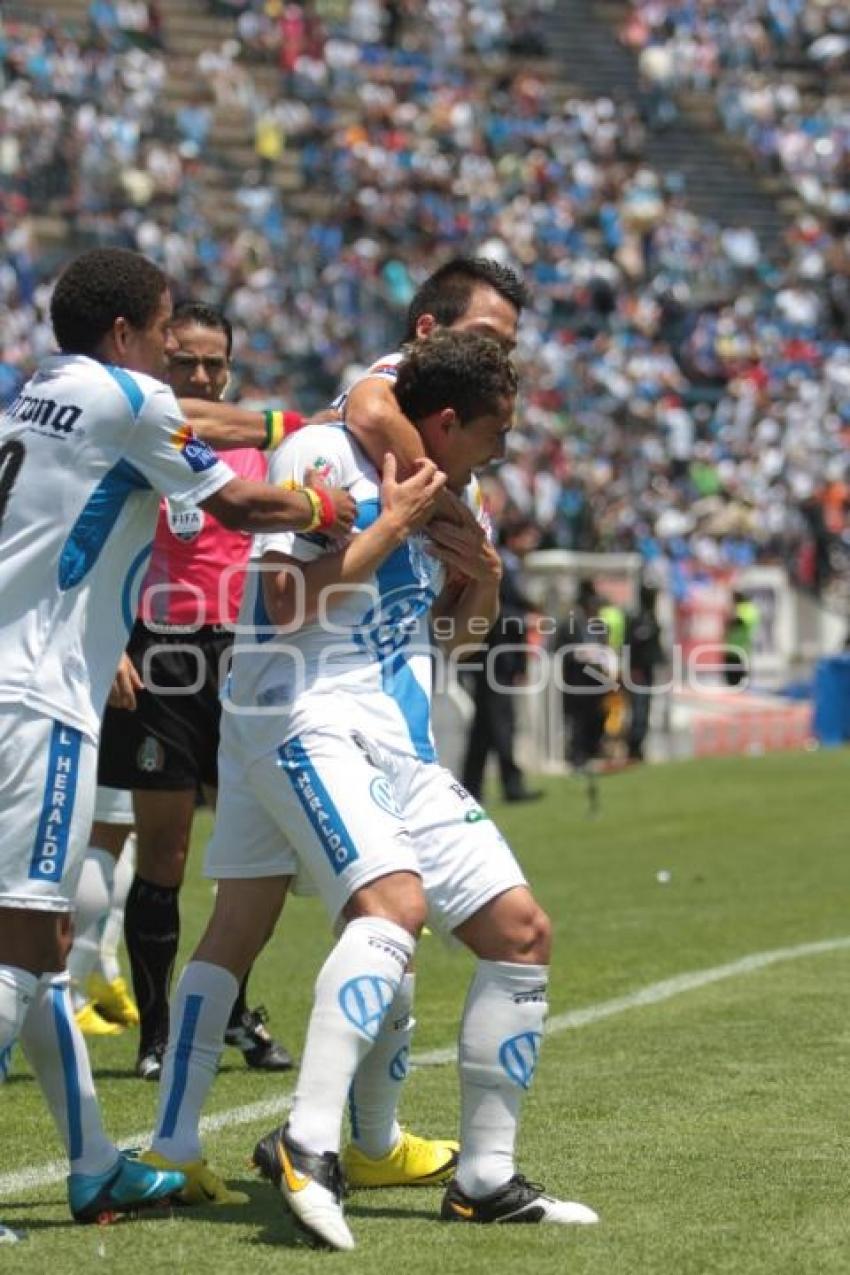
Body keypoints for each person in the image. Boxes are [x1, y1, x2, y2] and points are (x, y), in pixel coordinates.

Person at [145, 331, 598, 1249]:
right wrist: (389, 522)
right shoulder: (322, 456)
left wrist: (486, 574)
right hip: (304, 713)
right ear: (444, 420)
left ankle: (484, 1179)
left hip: (395, 735)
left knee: (521, 930)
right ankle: (308, 1145)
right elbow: (280, 601)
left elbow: (455, 642)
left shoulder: (458, 490)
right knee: (386, 908)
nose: (504, 448)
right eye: (496, 431)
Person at [0, 246, 355, 1241]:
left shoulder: (43, 394)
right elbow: (238, 500)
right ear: (125, 336)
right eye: (164, 330)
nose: (174, 347)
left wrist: (291, 424)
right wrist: (340, 505)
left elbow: (197, 425)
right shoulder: (123, 399)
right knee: (22, 946)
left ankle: (96, 1166)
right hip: (40, 695)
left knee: (42, 945)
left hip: (11, 680)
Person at [92, 302, 293, 1079]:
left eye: (215, 364)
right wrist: (110, 643)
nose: (201, 375)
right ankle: (156, 1032)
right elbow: (99, 541)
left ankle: (232, 1011)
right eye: (186, 363)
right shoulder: (141, 438)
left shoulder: (258, 452)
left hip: (241, 657)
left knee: (248, 852)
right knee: (166, 849)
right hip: (159, 655)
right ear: (162, 363)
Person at [461, 515, 543, 803]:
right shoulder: (499, 565)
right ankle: (512, 785)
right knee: (500, 722)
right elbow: (492, 610)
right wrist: (525, 618)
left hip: (501, 659)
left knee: (484, 728)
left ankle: (471, 788)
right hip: (491, 658)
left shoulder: (512, 567)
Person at [623, 584, 664, 762]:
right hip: (638, 673)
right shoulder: (637, 619)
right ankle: (633, 747)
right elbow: (631, 646)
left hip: (648, 672)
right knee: (638, 711)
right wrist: (633, 669)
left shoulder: (651, 618)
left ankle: (638, 748)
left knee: (645, 710)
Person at [723, 589, 760, 687]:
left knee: (738, 682)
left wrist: (730, 620)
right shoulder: (743, 608)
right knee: (732, 681)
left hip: (740, 649)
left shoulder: (746, 609)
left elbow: (740, 621)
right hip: (732, 649)